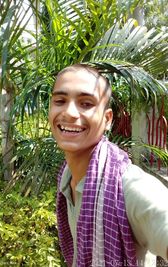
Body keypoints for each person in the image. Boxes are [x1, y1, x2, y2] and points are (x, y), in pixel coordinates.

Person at [48, 63, 168, 267]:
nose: (69, 112)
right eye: (60, 100)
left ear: (107, 119)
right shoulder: (67, 176)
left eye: (86, 103)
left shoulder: (128, 187)